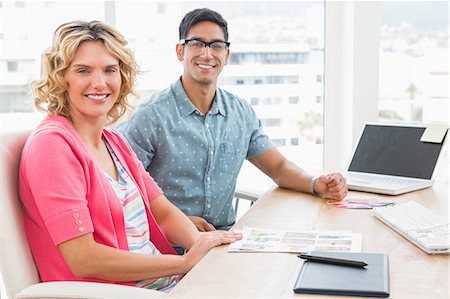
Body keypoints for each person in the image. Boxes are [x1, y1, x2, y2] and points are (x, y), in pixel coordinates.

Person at [18, 20, 241, 293]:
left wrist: (200, 247)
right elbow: (83, 259)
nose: (99, 83)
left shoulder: (114, 141)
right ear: (61, 77)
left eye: (110, 70)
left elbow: (163, 213)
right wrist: (184, 263)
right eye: (83, 70)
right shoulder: (52, 146)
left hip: (162, 286)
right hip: (115, 293)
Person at [119, 8, 348, 232]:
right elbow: (121, 192)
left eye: (216, 46)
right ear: (181, 51)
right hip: (166, 248)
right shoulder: (150, 115)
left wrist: (316, 184)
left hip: (224, 240)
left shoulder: (240, 113)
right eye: (197, 44)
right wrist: (177, 222)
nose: (207, 54)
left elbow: (278, 167)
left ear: (226, 55)